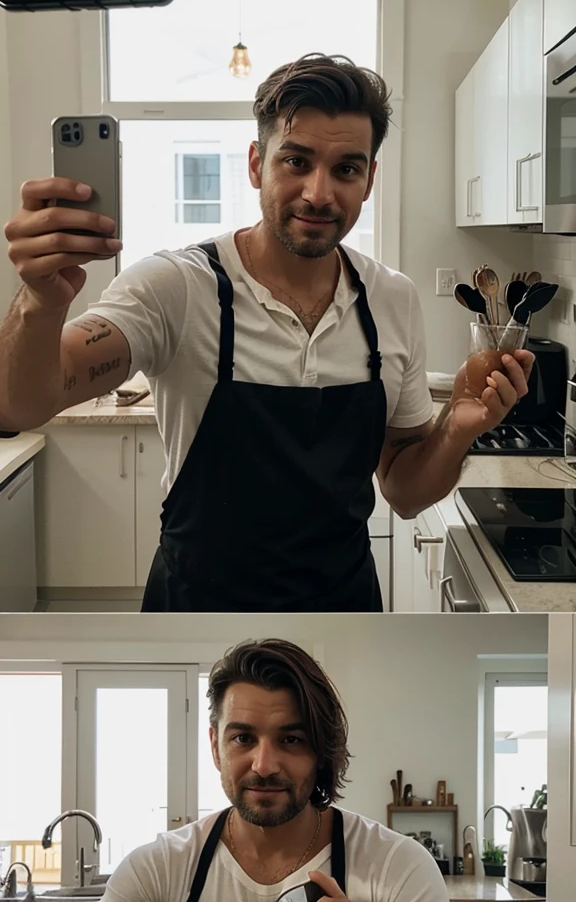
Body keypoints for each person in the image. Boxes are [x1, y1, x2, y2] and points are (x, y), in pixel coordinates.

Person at [1, 53, 534, 613]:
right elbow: (21, 405)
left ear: (370, 179)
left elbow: (403, 492)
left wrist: (456, 430)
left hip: (344, 613)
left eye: (346, 169)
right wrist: (41, 300)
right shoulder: (175, 287)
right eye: (296, 162)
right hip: (197, 612)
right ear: (257, 164)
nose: (319, 193)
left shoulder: (392, 300)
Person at [101, 638, 449, 902]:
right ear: (214, 746)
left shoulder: (400, 869)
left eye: (292, 740)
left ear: (321, 751)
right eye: (242, 738)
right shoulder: (153, 874)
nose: (264, 766)